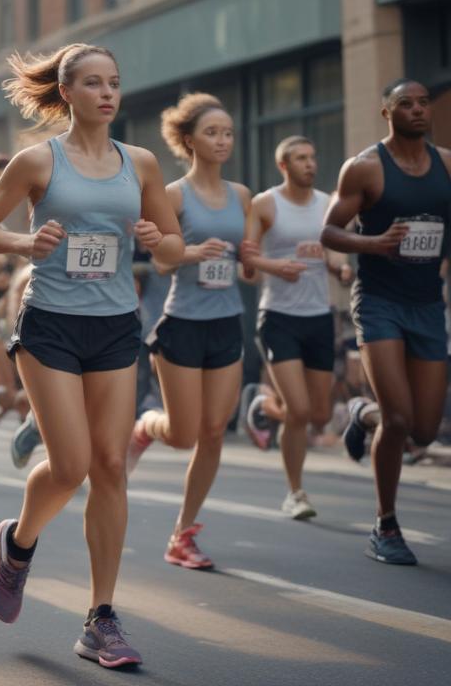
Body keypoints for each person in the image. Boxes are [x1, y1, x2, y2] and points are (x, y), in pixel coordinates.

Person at [0, 43, 182, 670]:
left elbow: (172, 249)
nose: (107, 93)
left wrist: (155, 239)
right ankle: (19, 542)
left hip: (116, 325)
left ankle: (101, 619)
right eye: (93, 83)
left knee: (111, 465)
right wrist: (24, 242)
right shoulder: (38, 162)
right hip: (52, 325)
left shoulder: (140, 164)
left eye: (114, 82)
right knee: (71, 465)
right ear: (68, 94)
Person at [321, 79, 451, 565]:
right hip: (378, 303)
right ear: (386, 112)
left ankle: (361, 413)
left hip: (427, 306)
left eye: (422, 103)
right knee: (398, 418)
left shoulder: (446, 164)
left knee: (421, 430)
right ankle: (386, 524)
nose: (417, 110)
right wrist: (374, 243)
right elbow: (329, 230)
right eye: (405, 104)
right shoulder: (365, 168)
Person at [126, 94, 250, 572]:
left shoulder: (241, 196)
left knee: (214, 431)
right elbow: (159, 260)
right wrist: (194, 254)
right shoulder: (174, 195)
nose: (222, 140)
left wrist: (267, 266)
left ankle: (183, 534)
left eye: (228, 133)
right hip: (181, 323)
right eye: (212, 132)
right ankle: (144, 427)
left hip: (226, 322)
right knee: (182, 434)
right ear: (189, 140)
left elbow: (247, 258)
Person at [240, 137, 351, 519]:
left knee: (318, 414)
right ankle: (295, 492)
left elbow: (331, 247)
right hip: (279, 318)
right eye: (301, 158)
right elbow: (247, 264)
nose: (310, 164)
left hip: (320, 316)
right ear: (284, 166)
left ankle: (264, 405)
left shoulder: (326, 204)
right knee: (300, 411)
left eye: (313, 156)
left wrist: (341, 266)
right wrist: (277, 267)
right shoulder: (265, 204)